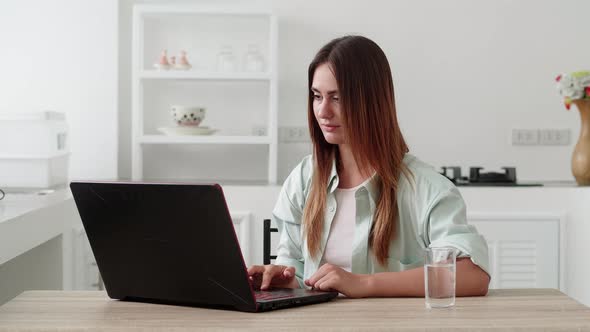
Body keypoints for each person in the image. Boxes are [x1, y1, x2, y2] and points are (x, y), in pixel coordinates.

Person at [248, 35, 490, 298]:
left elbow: (472, 276)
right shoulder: (303, 179)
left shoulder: (426, 187)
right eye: (317, 96)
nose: (323, 111)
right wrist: (284, 278)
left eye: (337, 98)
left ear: (370, 101)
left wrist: (364, 284)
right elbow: (294, 265)